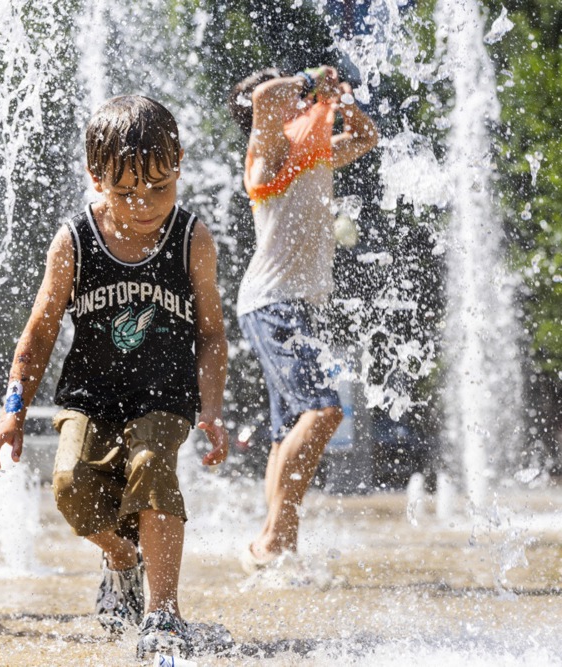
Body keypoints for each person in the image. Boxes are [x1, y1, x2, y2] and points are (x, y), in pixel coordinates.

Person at [0, 95, 229, 659]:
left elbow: (211, 334)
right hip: (90, 395)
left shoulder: (192, 240)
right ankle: (121, 558)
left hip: (165, 396)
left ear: (180, 163)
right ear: (96, 178)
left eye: (159, 188)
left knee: (151, 468)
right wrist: (12, 413)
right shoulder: (74, 242)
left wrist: (210, 409)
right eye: (126, 192)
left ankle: (164, 616)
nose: (144, 205)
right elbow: (39, 332)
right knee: (70, 489)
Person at [228, 66, 377, 572]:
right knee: (324, 410)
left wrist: (345, 98)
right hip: (273, 303)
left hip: (292, 305)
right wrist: (316, 79)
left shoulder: (313, 152)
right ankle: (273, 543)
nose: (299, 99)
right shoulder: (266, 155)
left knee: (285, 430)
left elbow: (365, 136)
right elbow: (269, 95)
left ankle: (273, 549)